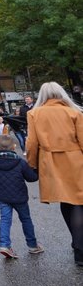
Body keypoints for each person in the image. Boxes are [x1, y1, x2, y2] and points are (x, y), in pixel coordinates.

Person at [26, 81, 83, 267]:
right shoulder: (74, 112)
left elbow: (32, 143)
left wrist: (32, 164)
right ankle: (79, 246)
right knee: (78, 202)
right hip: (75, 160)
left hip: (50, 162)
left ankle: (77, 244)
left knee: (66, 201)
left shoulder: (34, 113)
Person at [0, 134, 44, 259]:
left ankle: (5, 245)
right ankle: (32, 245)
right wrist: (36, 169)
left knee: (5, 220)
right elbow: (31, 178)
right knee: (26, 219)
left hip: (3, 197)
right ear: (14, 147)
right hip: (20, 197)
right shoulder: (20, 162)